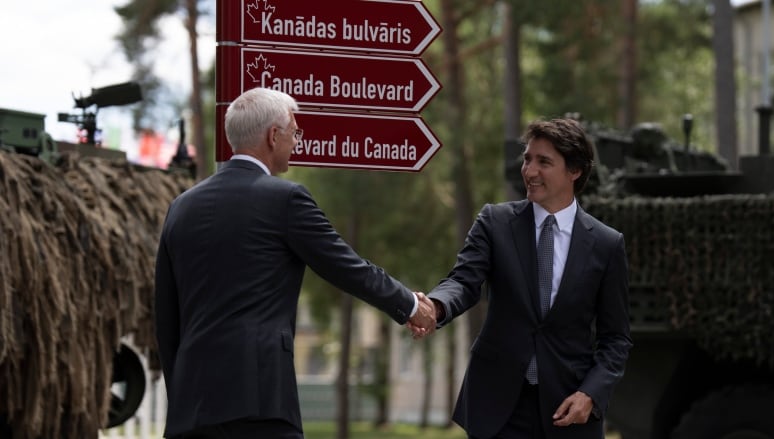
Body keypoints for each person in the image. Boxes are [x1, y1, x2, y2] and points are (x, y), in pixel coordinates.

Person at [154, 87, 436, 439]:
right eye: (294, 132)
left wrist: (181, 393)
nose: (297, 142)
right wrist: (410, 304)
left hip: (191, 408)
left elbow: (165, 317)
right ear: (273, 136)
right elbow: (346, 266)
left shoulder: (181, 207)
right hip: (259, 402)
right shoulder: (284, 199)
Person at [425, 118, 632, 439]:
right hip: (498, 408)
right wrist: (436, 306)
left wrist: (590, 394)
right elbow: (464, 282)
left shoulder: (606, 244)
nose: (529, 171)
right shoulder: (495, 222)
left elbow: (616, 338)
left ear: (574, 171)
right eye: (527, 158)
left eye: (544, 162)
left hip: (568, 409)